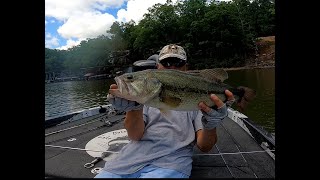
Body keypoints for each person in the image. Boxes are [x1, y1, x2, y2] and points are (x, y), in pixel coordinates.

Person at [94, 44, 235, 178]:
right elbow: (135, 135)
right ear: (157, 67)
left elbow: (205, 146)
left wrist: (211, 125)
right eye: (166, 63)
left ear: (186, 67)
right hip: (127, 161)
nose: (172, 67)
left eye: (178, 63)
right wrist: (133, 108)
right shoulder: (142, 98)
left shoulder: (199, 104)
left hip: (171, 164)